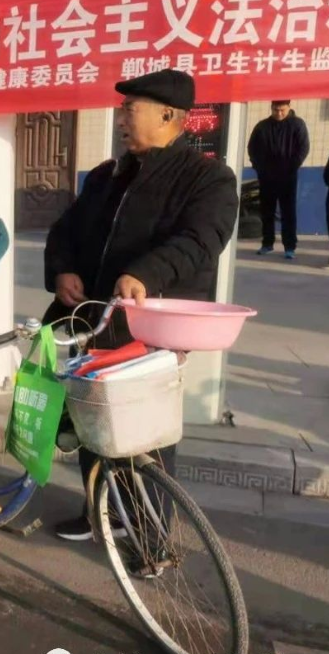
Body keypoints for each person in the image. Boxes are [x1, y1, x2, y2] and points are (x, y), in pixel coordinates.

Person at [44, 69, 239, 542]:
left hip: (148, 327)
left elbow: (201, 240)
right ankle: (99, 512)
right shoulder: (107, 176)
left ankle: (149, 534)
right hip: (96, 319)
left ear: (168, 116)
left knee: (145, 435)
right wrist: (63, 269)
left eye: (130, 110)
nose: (120, 120)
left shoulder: (207, 178)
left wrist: (146, 274)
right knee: (93, 422)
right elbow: (65, 230)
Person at [247, 100, 310, 259]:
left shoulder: (297, 125)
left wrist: (292, 167)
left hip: (288, 176)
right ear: (271, 108)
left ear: (289, 107)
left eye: (282, 110)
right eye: (276, 110)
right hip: (266, 176)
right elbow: (252, 148)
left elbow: (303, 148)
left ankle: (289, 246)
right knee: (266, 211)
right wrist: (259, 167)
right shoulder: (262, 127)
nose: (279, 113)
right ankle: (267, 243)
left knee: (288, 212)